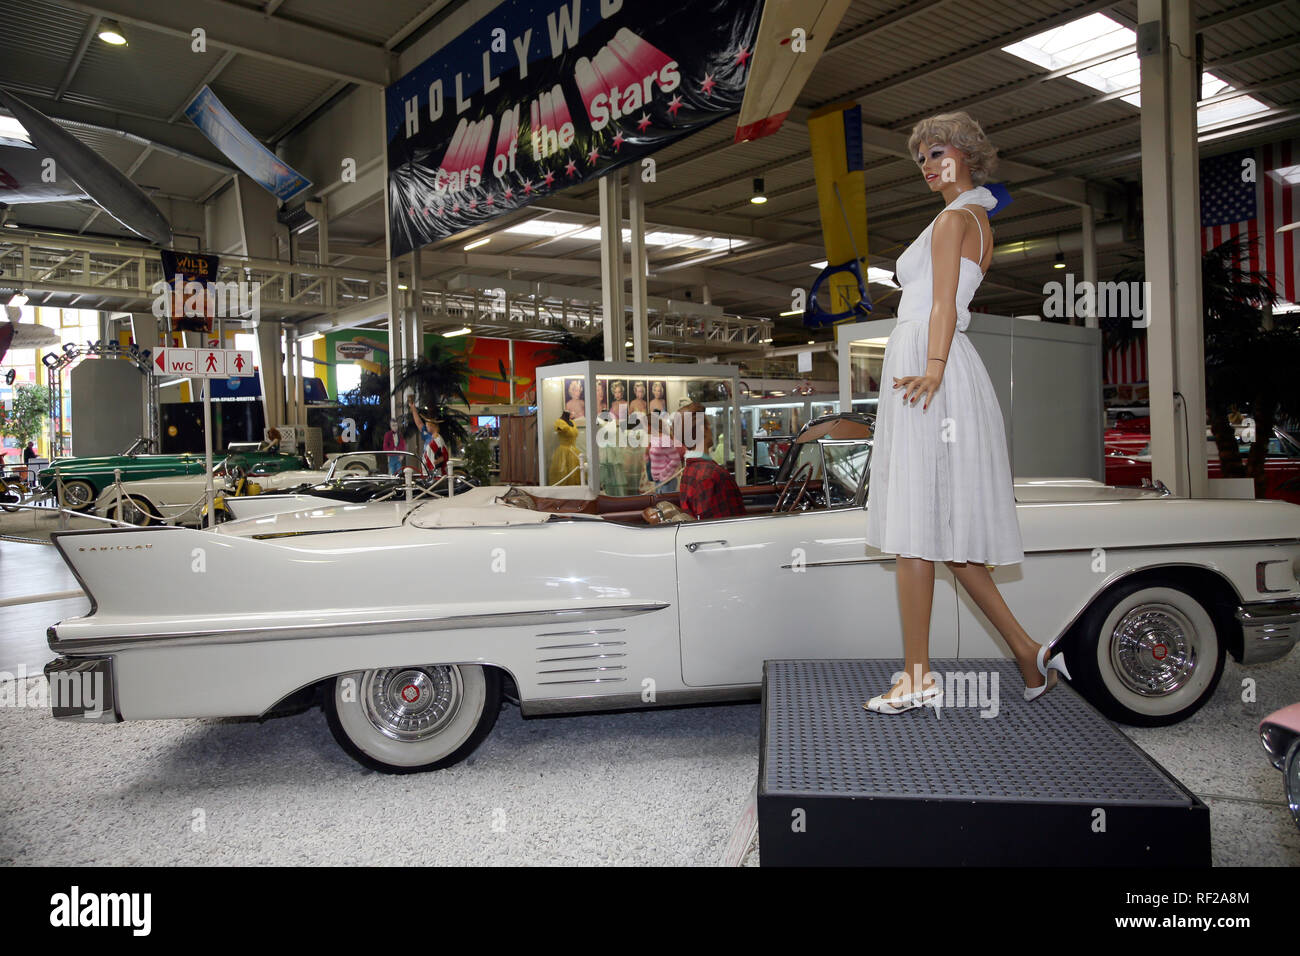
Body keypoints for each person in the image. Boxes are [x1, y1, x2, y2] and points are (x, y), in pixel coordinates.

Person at [862, 111, 1067, 715]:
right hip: (937, 369)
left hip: (933, 371)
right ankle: (1028, 652)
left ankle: (918, 676)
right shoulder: (971, 217)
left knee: (912, 530)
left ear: (967, 154)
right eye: (920, 157)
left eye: (937, 152)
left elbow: (944, 305)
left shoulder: (957, 218)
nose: (927, 164)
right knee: (940, 538)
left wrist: (931, 364)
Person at [676, 403, 745, 520]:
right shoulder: (714, 475)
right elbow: (734, 526)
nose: (711, 429)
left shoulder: (689, 471)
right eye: (708, 425)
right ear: (703, 430)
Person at [408, 398, 449, 476]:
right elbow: (419, 424)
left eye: (427, 424)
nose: (425, 426)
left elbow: (444, 455)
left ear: (432, 426)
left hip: (435, 471)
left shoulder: (438, 439)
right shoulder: (428, 435)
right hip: (427, 467)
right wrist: (413, 409)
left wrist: (436, 462)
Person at [647, 411, 684, 493]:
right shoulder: (655, 439)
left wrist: (663, 475)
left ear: (650, 425)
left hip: (666, 482)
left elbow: (675, 459)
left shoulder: (664, 439)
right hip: (659, 481)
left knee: (666, 505)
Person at [549, 411, 582, 485]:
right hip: (563, 451)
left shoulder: (572, 422)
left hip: (573, 451)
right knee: (563, 471)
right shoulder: (559, 422)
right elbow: (560, 429)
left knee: (574, 471)